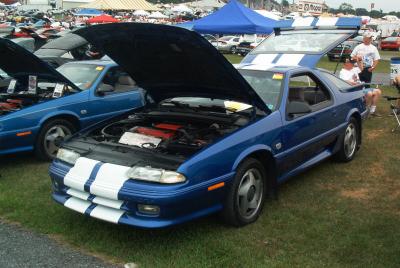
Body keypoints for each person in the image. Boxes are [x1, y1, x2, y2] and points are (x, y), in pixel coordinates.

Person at [351, 31, 381, 116]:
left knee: (367, 86)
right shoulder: (358, 47)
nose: (369, 40)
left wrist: (373, 67)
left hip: (368, 69)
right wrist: (358, 58)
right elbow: (352, 56)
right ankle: (359, 105)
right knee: (358, 86)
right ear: (364, 39)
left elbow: (376, 59)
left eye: (370, 38)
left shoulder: (373, 48)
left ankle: (368, 108)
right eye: (368, 38)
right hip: (358, 68)